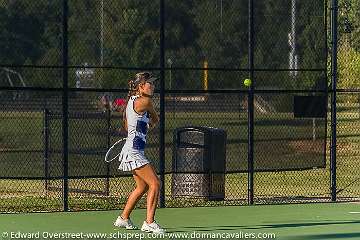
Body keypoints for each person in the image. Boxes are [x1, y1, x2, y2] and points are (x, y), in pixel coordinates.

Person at [113, 72, 165, 234]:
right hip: (134, 152)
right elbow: (156, 119)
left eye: (153, 83)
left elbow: (129, 127)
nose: (153, 86)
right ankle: (149, 222)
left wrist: (143, 126)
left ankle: (123, 218)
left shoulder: (130, 102)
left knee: (142, 187)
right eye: (150, 83)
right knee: (155, 184)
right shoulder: (146, 101)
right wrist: (149, 124)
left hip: (131, 150)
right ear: (141, 86)